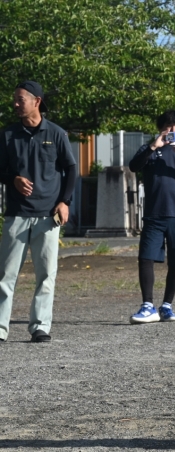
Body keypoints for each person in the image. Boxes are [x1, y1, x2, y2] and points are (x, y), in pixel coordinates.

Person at [0, 81, 77, 343]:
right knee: (5, 275)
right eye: (15, 99)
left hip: (48, 216)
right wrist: (13, 179)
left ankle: (40, 327)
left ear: (37, 101)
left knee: (46, 274)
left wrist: (65, 201)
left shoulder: (56, 133)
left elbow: (71, 169)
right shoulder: (7, 135)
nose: (15, 104)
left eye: (20, 99)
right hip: (17, 214)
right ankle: (0, 328)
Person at [128, 110, 175, 324]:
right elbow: (133, 166)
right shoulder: (148, 149)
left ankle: (167, 305)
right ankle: (147, 306)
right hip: (154, 214)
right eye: (168, 127)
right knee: (146, 257)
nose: (172, 131)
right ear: (161, 129)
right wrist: (153, 147)